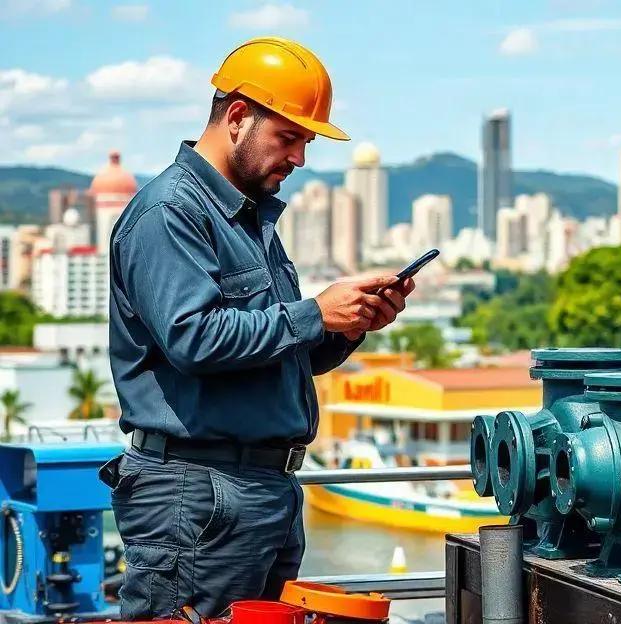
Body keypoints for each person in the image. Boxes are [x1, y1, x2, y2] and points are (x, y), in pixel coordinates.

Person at [102, 37, 405, 618]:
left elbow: (283, 353)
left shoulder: (249, 217)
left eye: (306, 142)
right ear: (237, 117)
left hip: (261, 491)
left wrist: (347, 326)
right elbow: (193, 338)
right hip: (199, 494)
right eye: (288, 138)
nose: (299, 158)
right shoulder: (171, 212)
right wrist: (316, 312)